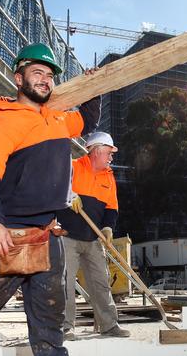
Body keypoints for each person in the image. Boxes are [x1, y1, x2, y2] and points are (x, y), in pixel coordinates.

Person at [0, 43, 100, 356]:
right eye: (37, 72)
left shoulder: (56, 119)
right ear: (18, 78)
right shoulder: (1, 122)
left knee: (50, 321)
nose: (45, 80)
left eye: (49, 75)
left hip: (47, 233)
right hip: (9, 235)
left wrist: (94, 87)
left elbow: (87, 122)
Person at [56, 132, 130, 340]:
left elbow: (111, 207)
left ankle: (109, 325)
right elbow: (53, 185)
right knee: (66, 283)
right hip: (67, 236)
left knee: (101, 282)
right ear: (96, 151)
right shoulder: (73, 166)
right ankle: (65, 327)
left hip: (93, 238)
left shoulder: (108, 176)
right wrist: (70, 195)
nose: (111, 158)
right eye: (109, 153)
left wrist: (107, 227)